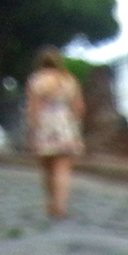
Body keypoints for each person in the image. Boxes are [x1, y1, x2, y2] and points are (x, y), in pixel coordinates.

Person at [24, 48, 86, 219]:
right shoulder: (69, 80)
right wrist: (73, 124)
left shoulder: (37, 80)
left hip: (45, 124)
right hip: (65, 123)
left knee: (47, 167)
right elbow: (79, 107)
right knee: (63, 167)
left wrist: (32, 129)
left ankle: (51, 201)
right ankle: (61, 205)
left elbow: (33, 108)